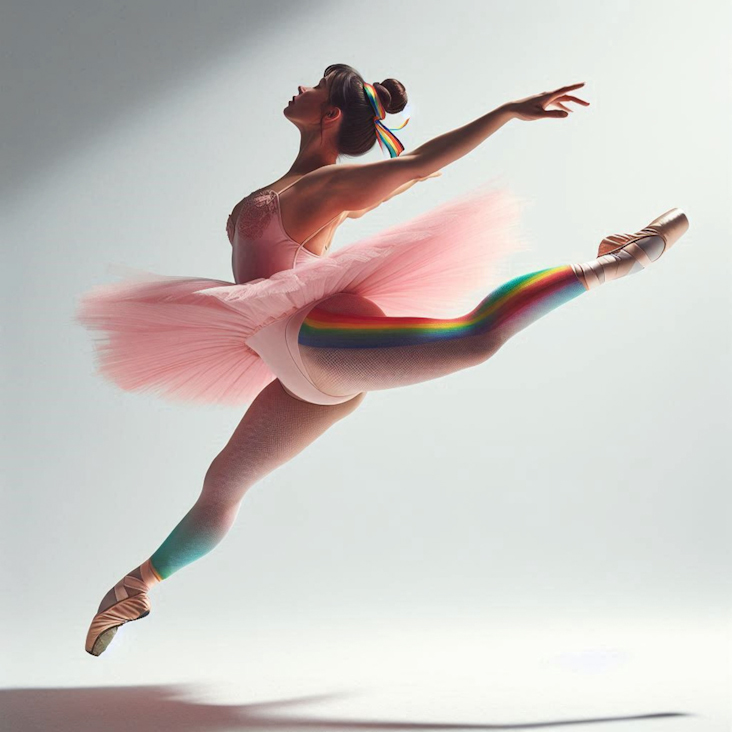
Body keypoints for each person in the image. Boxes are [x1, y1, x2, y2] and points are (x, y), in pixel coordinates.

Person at [78, 64, 689, 656]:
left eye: (314, 87)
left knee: (476, 338)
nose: (299, 87)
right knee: (223, 484)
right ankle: (136, 588)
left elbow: (419, 166)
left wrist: (504, 112)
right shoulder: (276, 191)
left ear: (332, 113)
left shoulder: (325, 189)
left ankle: (615, 260)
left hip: (318, 339)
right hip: (301, 370)